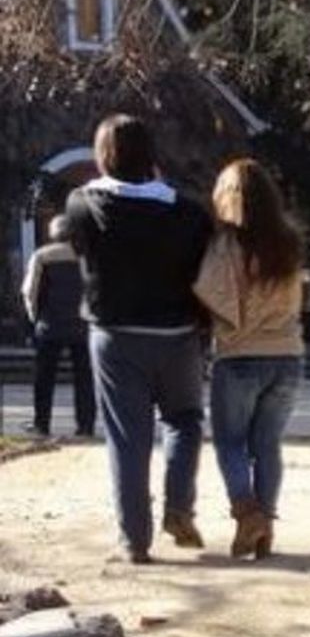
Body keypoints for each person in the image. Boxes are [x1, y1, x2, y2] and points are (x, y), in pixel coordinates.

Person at [62, 114, 213, 563]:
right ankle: (180, 506)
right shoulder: (188, 212)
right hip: (179, 332)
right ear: (153, 155)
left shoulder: (81, 204)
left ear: (103, 154)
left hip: (115, 334)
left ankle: (135, 540)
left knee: (128, 438)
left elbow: (79, 248)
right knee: (184, 420)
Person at [192, 160, 305, 560]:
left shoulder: (226, 245)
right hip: (288, 355)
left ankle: (247, 514)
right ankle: (265, 529)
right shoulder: (289, 241)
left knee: (230, 443)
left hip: (239, 356)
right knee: (268, 445)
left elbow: (210, 294)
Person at [20, 215, 94, 437]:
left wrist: (34, 318)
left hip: (50, 325)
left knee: (44, 377)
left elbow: (29, 291)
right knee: (84, 379)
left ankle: (42, 424)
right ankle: (85, 425)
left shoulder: (42, 255)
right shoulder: (88, 256)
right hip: (83, 325)